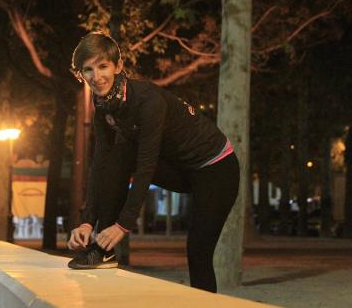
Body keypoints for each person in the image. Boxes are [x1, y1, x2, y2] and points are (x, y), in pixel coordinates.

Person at [66, 32, 240, 293]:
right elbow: (100, 163)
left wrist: (123, 225)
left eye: (103, 66)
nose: (96, 76)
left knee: (198, 251)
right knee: (117, 154)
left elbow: (146, 165)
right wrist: (87, 221)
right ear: (81, 74)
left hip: (216, 168)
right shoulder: (103, 104)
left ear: (118, 66)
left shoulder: (148, 101)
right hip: (181, 168)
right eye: (88, 70)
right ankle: (102, 249)